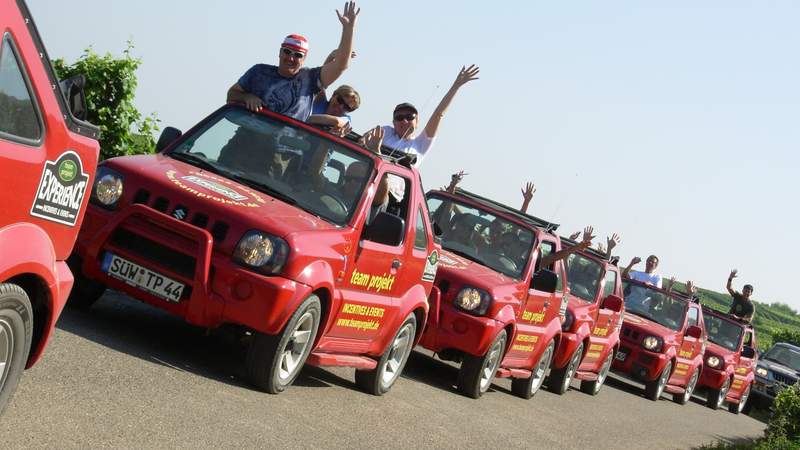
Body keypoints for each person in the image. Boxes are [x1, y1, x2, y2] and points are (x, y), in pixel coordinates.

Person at [226, 1, 360, 121]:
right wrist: (247, 97)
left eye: (298, 55)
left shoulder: (310, 79)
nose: (291, 58)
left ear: (304, 59)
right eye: (287, 52)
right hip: (243, 144)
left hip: (285, 148)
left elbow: (341, 65)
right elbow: (231, 94)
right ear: (280, 52)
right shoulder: (259, 71)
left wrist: (348, 29)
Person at [377, 64, 480, 167]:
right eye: (399, 118)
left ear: (417, 121)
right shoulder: (386, 132)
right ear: (394, 123)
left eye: (409, 117)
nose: (404, 121)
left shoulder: (421, 144)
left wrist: (456, 86)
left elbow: (438, 115)